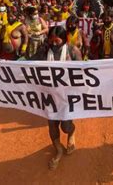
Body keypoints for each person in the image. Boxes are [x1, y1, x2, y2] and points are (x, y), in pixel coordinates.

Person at [33, 26, 81, 170]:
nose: (53, 44)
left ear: (64, 39)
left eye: (57, 40)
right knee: (52, 124)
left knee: (65, 126)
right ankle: (59, 149)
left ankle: (71, 133)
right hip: (49, 95)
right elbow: (28, 63)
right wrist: (5, 64)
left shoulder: (73, 50)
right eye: (51, 40)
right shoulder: (44, 51)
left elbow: (82, 71)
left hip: (67, 96)